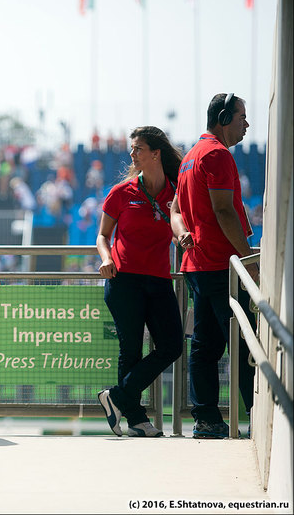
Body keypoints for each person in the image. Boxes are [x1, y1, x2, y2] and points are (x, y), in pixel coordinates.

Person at [170, 93, 258, 439]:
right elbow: (224, 211)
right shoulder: (218, 155)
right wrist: (249, 259)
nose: (246, 125)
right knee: (245, 343)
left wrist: (182, 234)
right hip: (222, 265)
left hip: (198, 266)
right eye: (241, 117)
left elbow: (175, 210)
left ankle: (206, 419)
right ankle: (258, 412)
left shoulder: (190, 156)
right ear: (223, 117)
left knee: (205, 346)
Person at [95, 126, 184, 437]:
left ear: (155, 154)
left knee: (173, 346)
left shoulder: (176, 193)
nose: (132, 154)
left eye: (138, 149)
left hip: (159, 281)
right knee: (129, 350)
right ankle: (136, 421)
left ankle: (116, 397)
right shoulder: (121, 192)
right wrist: (106, 259)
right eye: (132, 149)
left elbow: (181, 226)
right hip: (124, 280)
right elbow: (102, 236)